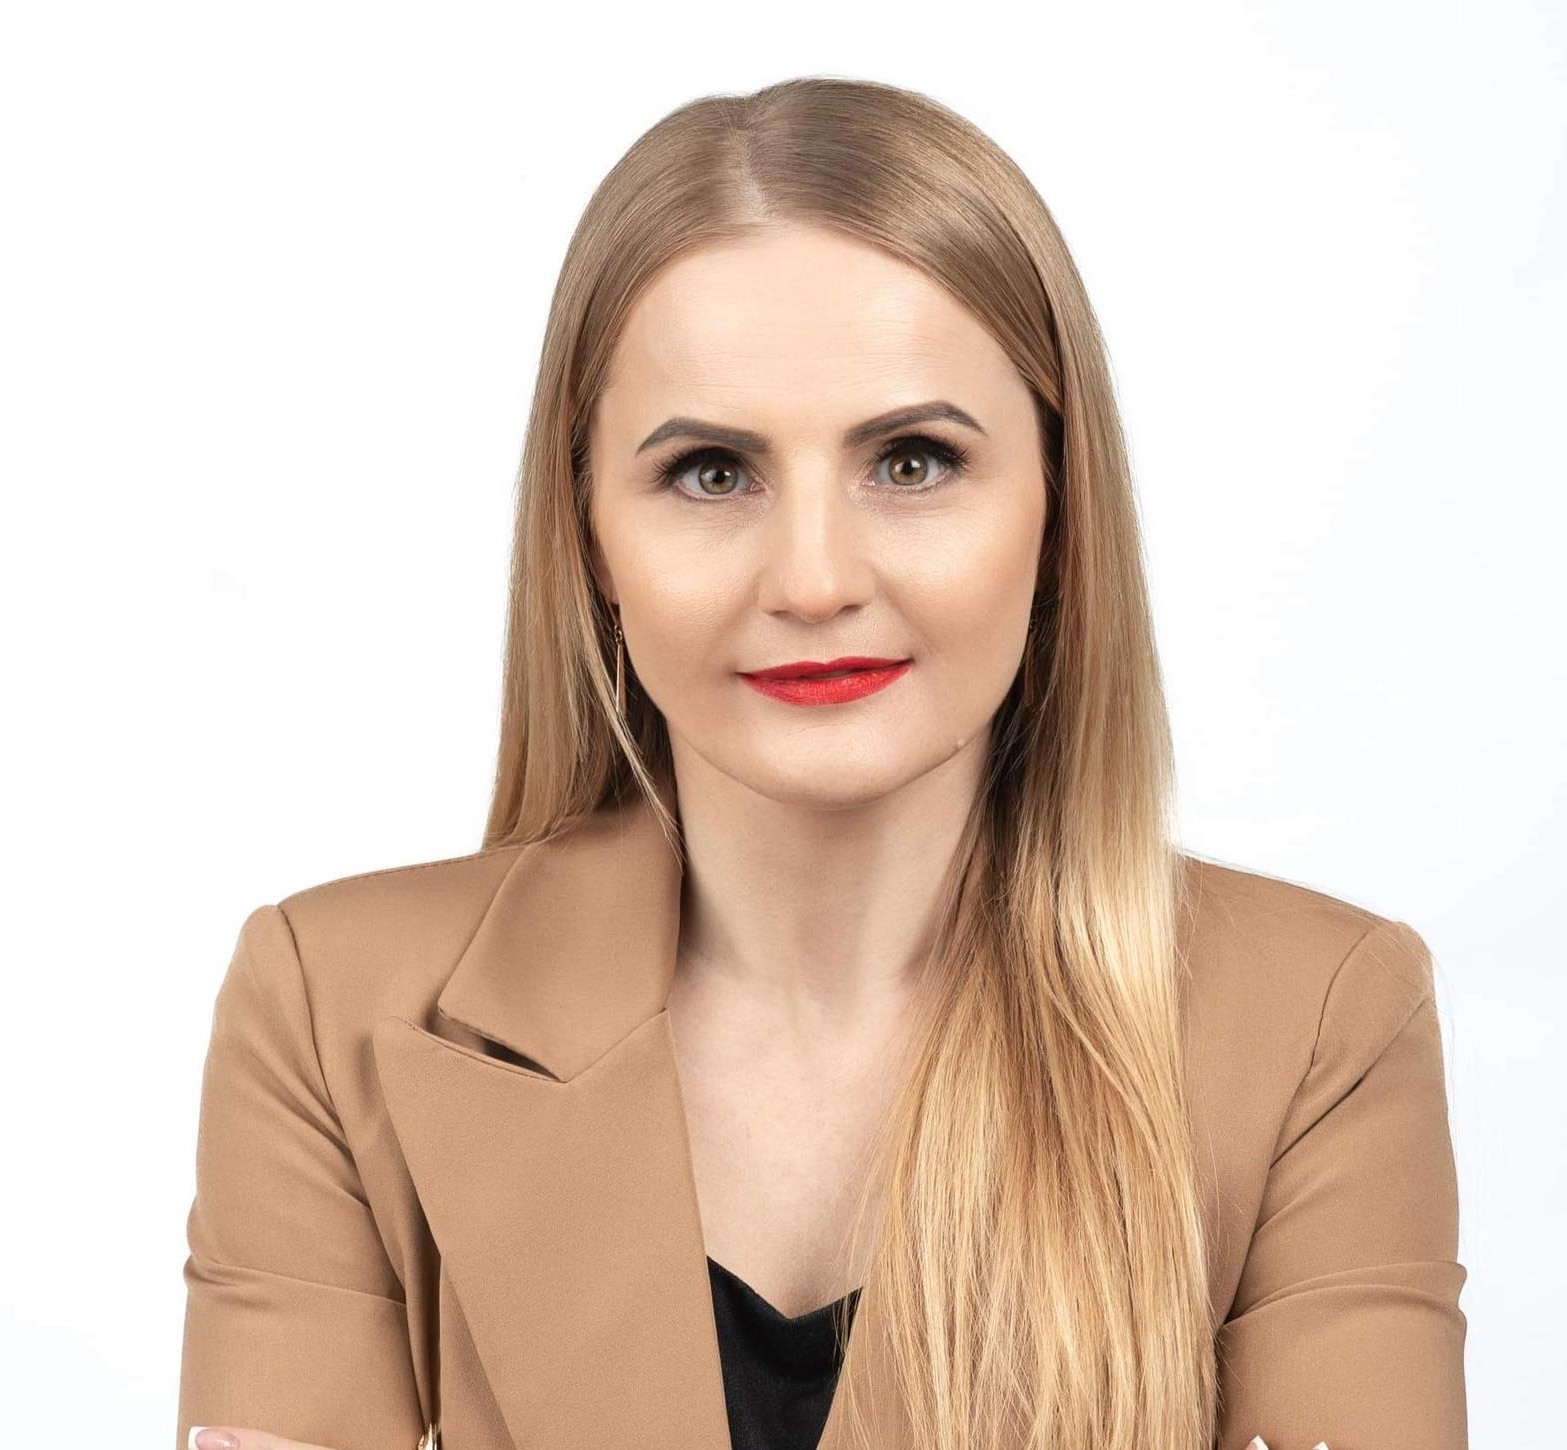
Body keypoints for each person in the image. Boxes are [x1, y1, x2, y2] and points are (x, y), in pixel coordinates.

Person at [175, 76, 1468, 1450]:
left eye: (911, 461)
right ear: (589, 534)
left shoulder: (1315, 1025)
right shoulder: (332, 1009)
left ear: (1062, 508)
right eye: (712, 472)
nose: (812, 579)